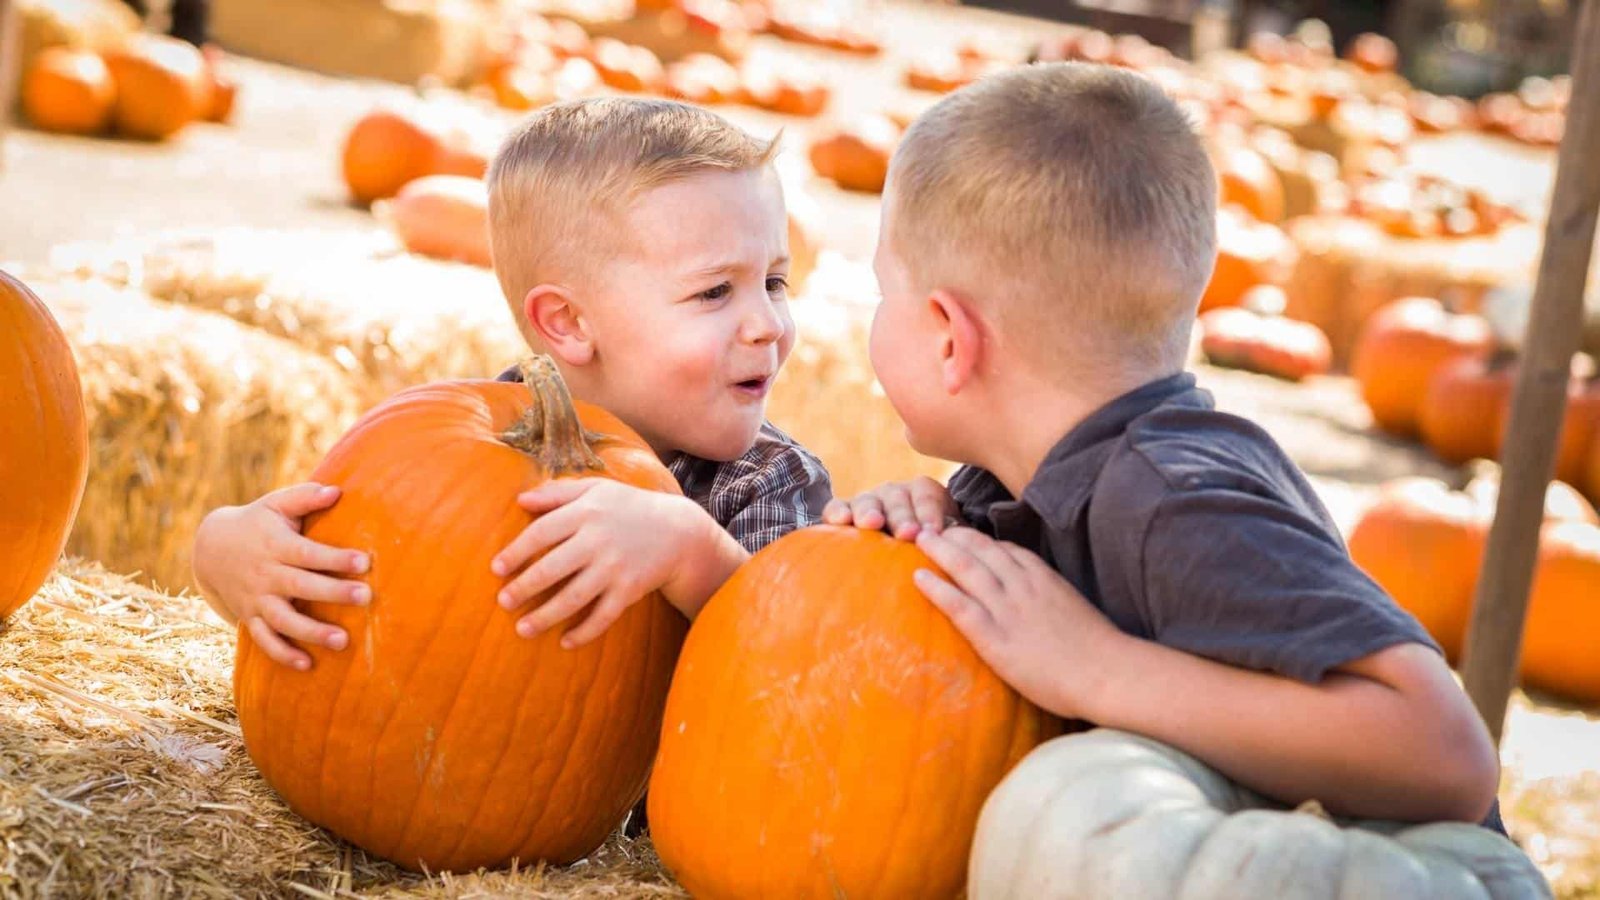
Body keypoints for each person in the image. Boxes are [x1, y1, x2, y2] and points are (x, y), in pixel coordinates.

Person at [826, 62, 1503, 828]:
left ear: (951, 339)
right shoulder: (1010, 479)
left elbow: (1447, 758)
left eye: (887, 292)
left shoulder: (1176, 498)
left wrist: (1098, 671)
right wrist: (921, 542)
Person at [193, 97, 830, 671]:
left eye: (776, 281)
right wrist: (225, 551)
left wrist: (691, 554)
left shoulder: (769, 481)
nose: (768, 323)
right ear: (570, 323)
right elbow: (340, 566)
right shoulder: (463, 438)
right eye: (715, 290)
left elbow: (799, 665)